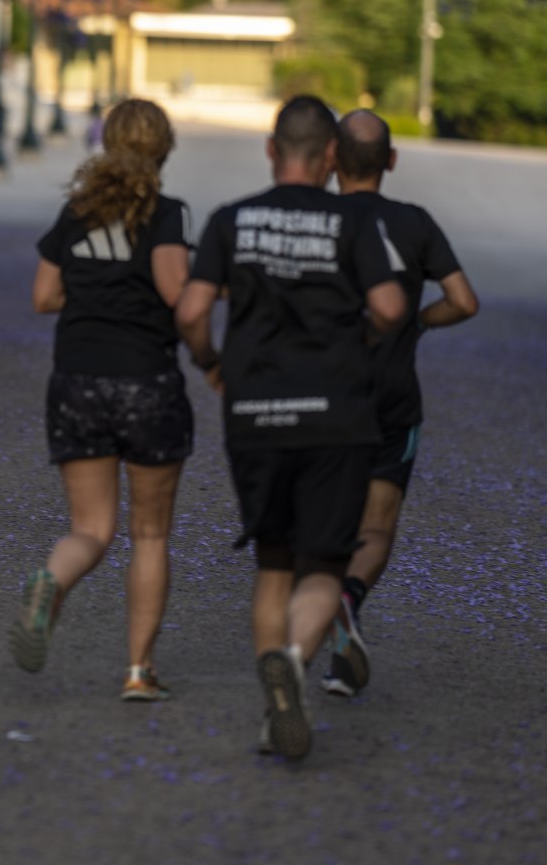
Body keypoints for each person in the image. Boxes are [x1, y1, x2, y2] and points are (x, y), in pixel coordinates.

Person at [174, 95, 405, 762]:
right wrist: (359, 336)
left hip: (256, 414)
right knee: (325, 565)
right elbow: (391, 305)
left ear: (272, 150)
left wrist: (211, 363)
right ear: (331, 156)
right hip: (336, 413)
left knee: (273, 563)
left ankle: (274, 702)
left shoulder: (230, 220)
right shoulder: (350, 222)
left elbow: (191, 311)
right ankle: (296, 663)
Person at [11, 98, 193, 702]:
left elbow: (40, 295)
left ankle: (50, 578)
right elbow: (173, 290)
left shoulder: (76, 213)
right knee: (149, 534)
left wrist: (95, 297)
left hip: (77, 380)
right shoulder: (165, 216)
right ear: (163, 150)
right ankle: (139, 672)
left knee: (90, 528)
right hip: (145, 381)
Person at [321, 110, 478, 698]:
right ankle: (349, 605)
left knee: (322, 523)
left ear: (332, 157)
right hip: (391, 398)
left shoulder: (315, 219)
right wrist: (416, 323)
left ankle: (307, 631)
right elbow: (463, 300)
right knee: (377, 526)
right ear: (391, 161)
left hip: (321, 396)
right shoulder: (414, 224)